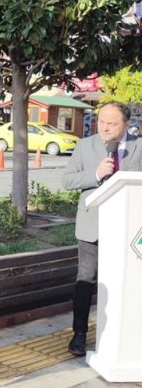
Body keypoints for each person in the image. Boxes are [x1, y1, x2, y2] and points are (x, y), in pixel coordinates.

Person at [62, 101, 142, 356]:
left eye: (112, 123)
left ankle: (125, 335)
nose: (105, 127)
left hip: (128, 229)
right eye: (101, 121)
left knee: (126, 283)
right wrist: (95, 174)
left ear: (126, 124)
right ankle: (79, 335)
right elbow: (67, 180)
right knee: (85, 280)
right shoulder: (85, 145)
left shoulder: (138, 147)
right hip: (91, 227)